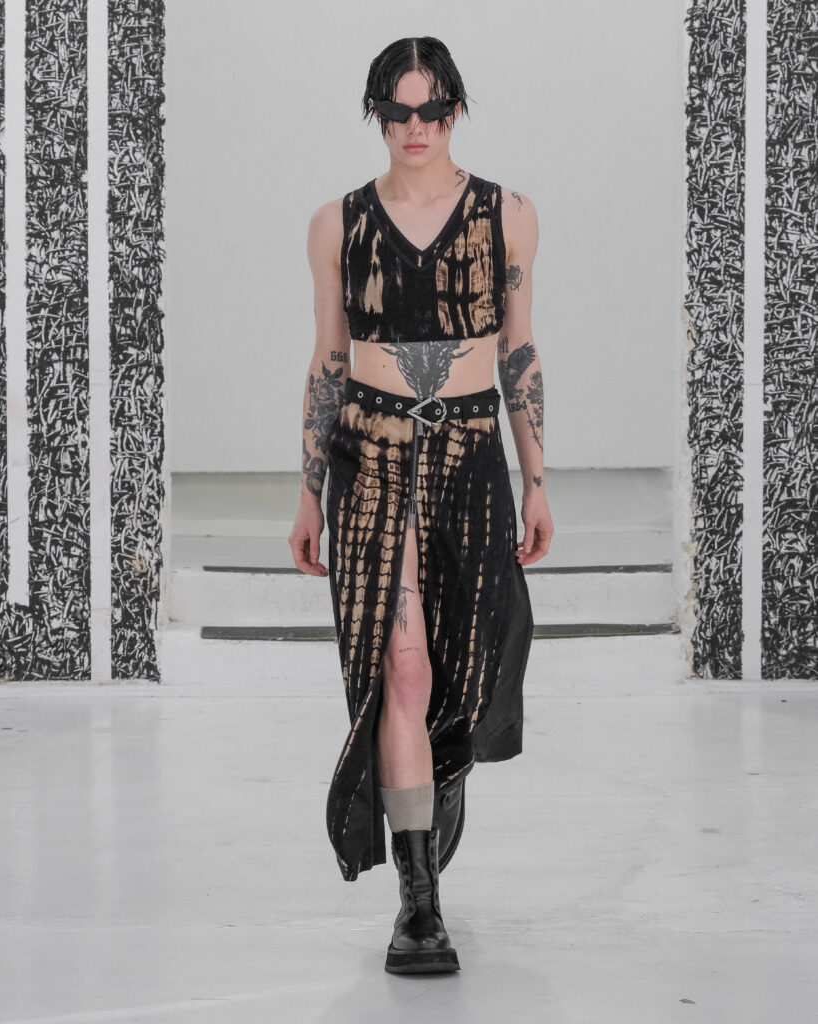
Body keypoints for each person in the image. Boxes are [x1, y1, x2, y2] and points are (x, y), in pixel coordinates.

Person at [289, 36, 553, 975]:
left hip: (469, 454)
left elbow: (518, 351)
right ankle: (417, 904)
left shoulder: (506, 215)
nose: (415, 127)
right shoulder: (338, 224)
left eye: (431, 110)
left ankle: (440, 780)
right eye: (397, 112)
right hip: (368, 454)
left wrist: (536, 477)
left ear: (454, 112)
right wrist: (308, 491)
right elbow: (328, 360)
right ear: (377, 115)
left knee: (462, 673)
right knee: (400, 670)